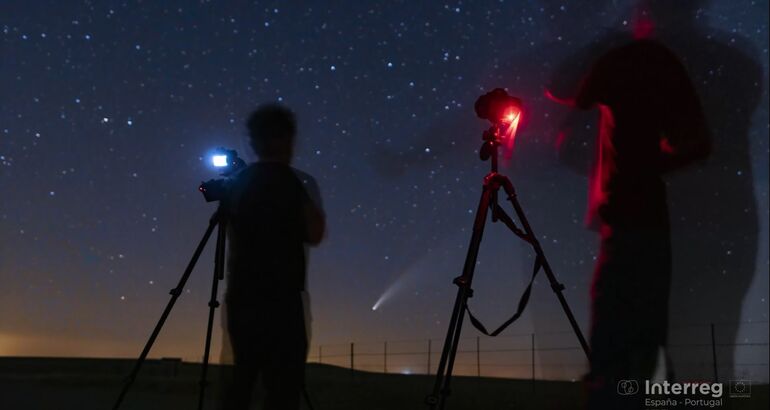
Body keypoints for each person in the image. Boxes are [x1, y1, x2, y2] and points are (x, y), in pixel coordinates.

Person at [567, 39, 710, 409]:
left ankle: (610, 394)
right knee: (648, 331)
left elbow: (574, 97)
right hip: (650, 219)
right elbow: (699, 143)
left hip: (626, 218)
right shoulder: (664, 65)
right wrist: (654, 166)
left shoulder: (620, 60)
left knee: (612, 332)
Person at [222, 103, 325, 410]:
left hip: (242, 298)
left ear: (253, 142)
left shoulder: (239, 184)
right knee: (282, 389)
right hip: (283, 301)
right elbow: (316, 233)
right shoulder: (296, 183)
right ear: (289, 139)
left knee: (242, 382)